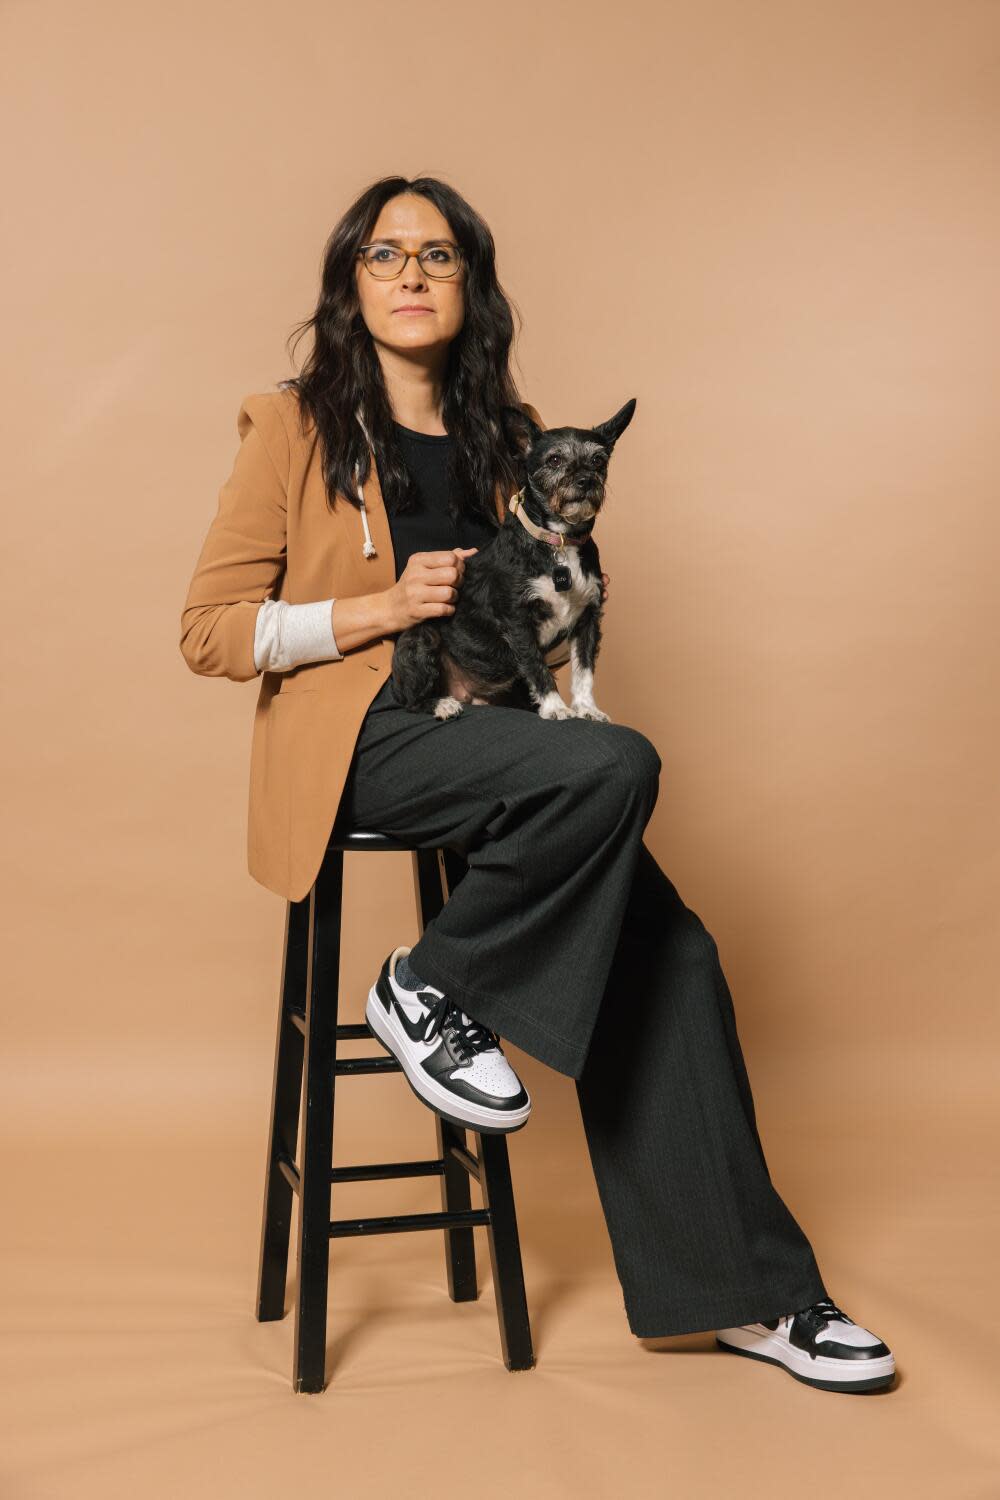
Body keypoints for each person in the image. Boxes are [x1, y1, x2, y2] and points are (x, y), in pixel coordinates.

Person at [180, 173, 896, 1394]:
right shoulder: (291, 425)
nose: (411, 273)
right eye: (385, 254)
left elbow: (558, 597)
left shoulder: (508, 438)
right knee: (617, 758)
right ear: (350, 283)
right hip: (373, 737)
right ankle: (432, 986)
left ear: (473, 286)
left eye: (439, 255)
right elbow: (208, 631)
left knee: (673, 955)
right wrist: (373, 609)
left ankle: (752, 1294)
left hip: (508, 752)